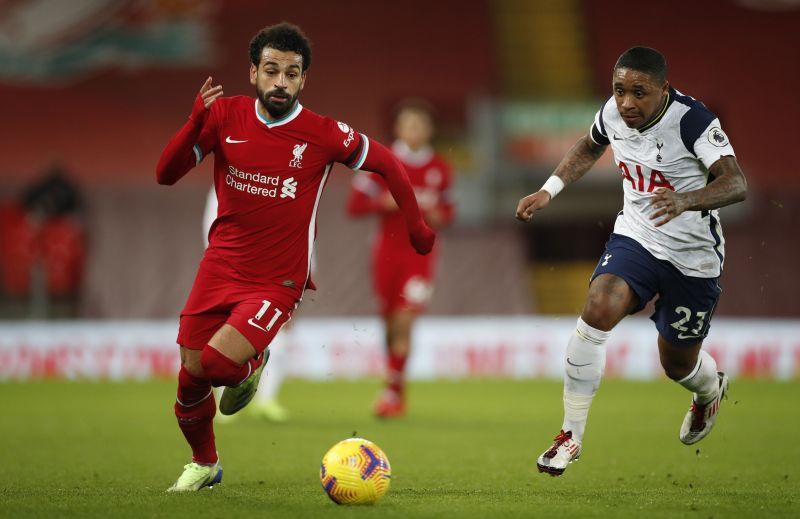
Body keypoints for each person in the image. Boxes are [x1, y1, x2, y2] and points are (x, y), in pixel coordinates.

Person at [156, 22, 435, 492]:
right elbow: (166, 174)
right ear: (253, 73)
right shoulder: (224, 116)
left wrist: (417, 227)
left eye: (291, 73)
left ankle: (254, 361)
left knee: (222, 365)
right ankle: (205, 463)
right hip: (220, 265)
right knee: (191, 374)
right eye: (271, 71)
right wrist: (191, 124)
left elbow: (387, 161)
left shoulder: (323, 134)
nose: (280, 82)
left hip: (277, 279)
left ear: (303, 79)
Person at [515, 47, 747, 476]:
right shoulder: (613, 114)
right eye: (619, 90)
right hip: (637, 237)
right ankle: (570, 435)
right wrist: (549, 189)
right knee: (598, 307)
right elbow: (588, 147)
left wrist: (686, 199)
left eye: (639, 92)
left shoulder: (693, 120)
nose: (626, 102)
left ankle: (708, 390)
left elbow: (736, 183)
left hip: (693, 258)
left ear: (663, 88)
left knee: (677, 365)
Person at [347, 100, 455, 418]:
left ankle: (392, 394)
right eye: (409, 124)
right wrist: (383, 203)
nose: (414, 131)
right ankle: (395, 387)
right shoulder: (381, 161)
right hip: (385, 253)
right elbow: (354, 206)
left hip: (420, 256)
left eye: (420, 125)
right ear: (398, 129)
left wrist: (439, 215)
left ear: (429, 130)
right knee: (390, 323)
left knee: (405, 320)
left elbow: (449, 212)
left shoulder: (440, 168)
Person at [203, 187, 291, 423]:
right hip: (235, 269)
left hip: (277, 267)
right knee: (226, 329)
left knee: (282, 328)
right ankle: (224, 401)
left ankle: (267, 400)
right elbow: (214, 231)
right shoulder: (228, 183)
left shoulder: (287, 177)